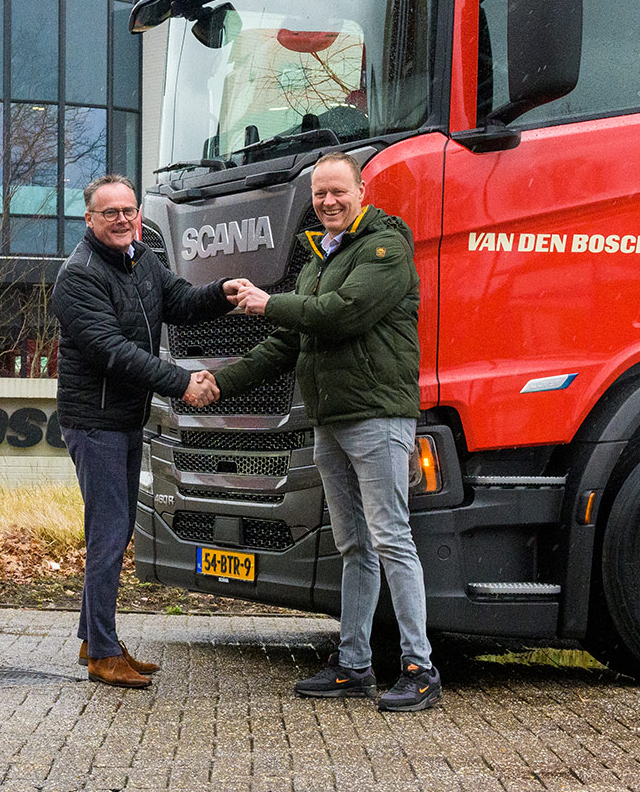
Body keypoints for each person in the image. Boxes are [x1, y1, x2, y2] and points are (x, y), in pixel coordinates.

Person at [214, 152, 438, 712]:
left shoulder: (385, 249)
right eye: (320, 194)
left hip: (377, 417)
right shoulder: (320, 260)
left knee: (391, 539)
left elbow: (342, 313)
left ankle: (420, 668)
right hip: (331, 421)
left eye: (339, 191)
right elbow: (287, 344)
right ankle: (354, 664)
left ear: (362, 192)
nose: (329, 201)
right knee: (354, 546)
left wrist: (270, 302)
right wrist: (217, 384)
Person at [51, 173, 233, 689]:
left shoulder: (141, 260)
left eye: (128, 211)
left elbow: (183, 301)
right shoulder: (79, 275)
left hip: (126, 419)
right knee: (109, 535)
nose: (122, 220)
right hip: (95, 423)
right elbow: (113, 351)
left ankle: (94, 639)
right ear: (89, 219)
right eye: (110, 212)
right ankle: (103, 654)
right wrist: (183, 383)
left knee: (115, 529)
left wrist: (223, 292)